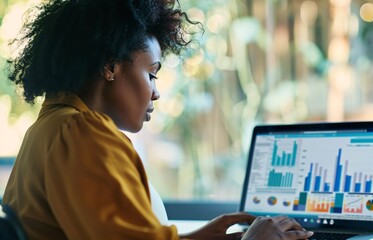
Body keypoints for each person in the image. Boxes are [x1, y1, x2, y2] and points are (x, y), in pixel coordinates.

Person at [2, 0, 314, 239]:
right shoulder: (82, 134)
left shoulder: (48, 129)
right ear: (110, 66)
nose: (156, 93)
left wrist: (197, 237)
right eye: (151, 74)